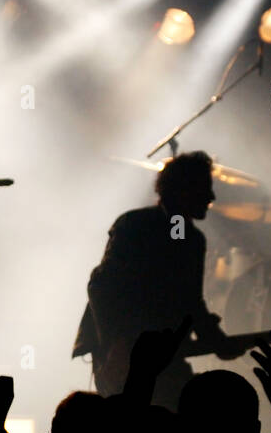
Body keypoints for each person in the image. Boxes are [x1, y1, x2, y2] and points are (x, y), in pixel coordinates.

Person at [73, 150, 246, 408]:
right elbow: (102, 286)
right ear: (182, 190)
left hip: (162, 353)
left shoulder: (192, 240)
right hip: (122, 352)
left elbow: (191, 302)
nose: (211, 197)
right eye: (204, 188)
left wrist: (216, 338)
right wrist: (117, 343)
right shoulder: (135, 226)